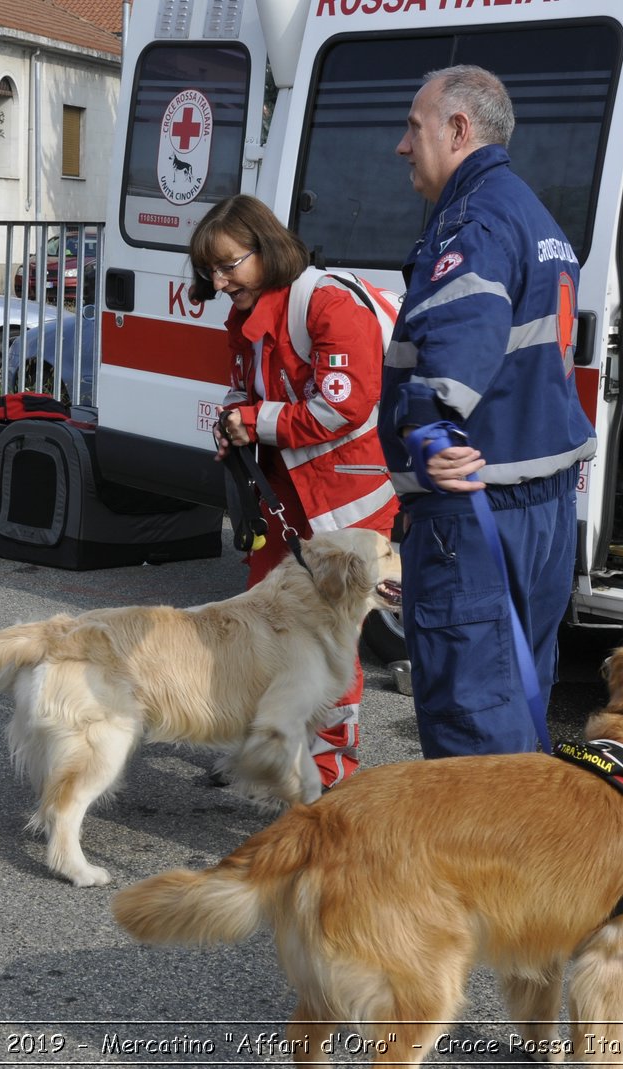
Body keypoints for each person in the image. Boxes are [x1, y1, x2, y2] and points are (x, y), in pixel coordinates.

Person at [378, 65, 596, 759]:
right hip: (541, 513)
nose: (402, 146)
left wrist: (428, 428)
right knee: (518, 699)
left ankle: (481, 869)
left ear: (458, 129)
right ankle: (526, 862)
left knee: (472, 718)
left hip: (478, 516)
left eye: (414, 127)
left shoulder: (472, 221)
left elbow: (455, 342)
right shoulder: (536, 216)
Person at [189, 194, 398, 789]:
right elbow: (242, 390)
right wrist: (232, 424)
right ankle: (266, 749)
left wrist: (251, 423)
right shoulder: (252, 313)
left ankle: (328, 769)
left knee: (329, 640)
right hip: (287, 496)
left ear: (267, 248)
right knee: (263, 624)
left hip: (346, 500)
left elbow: (342, 405)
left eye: (229, 265)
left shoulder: (327, 302)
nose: (219, 281)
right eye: (211, 270)